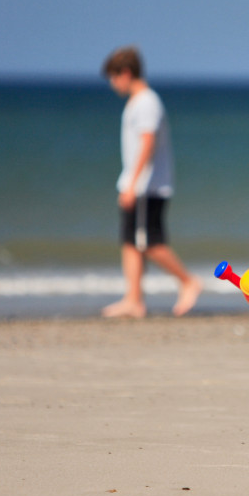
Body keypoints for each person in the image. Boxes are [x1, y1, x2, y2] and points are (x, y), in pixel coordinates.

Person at [100, 46, 202, 318]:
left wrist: (133, 184)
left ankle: (188, 281)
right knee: (130, 242)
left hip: (147, 187)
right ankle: (133, 300)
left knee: (151, 243)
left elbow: (148, 142)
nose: (112, 84)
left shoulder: (146, 102)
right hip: (136, 185)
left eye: (113, 77)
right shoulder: (138, 101)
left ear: (125, 73)